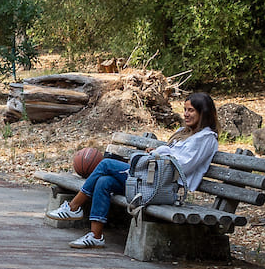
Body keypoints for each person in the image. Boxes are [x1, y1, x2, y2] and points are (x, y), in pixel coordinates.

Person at [47, 91, 220, 249]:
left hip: (166, 188)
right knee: (104, 181)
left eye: (191, 110)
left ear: (202, 112)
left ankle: (73, 207)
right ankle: (96, 235)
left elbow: (183, 165)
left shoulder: (206, 139)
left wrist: (161, 152)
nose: (186, 114)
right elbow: (170, 155)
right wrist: (157, 152)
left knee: (106, 164)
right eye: (185, 109)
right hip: (151, 181)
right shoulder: (184, 132)